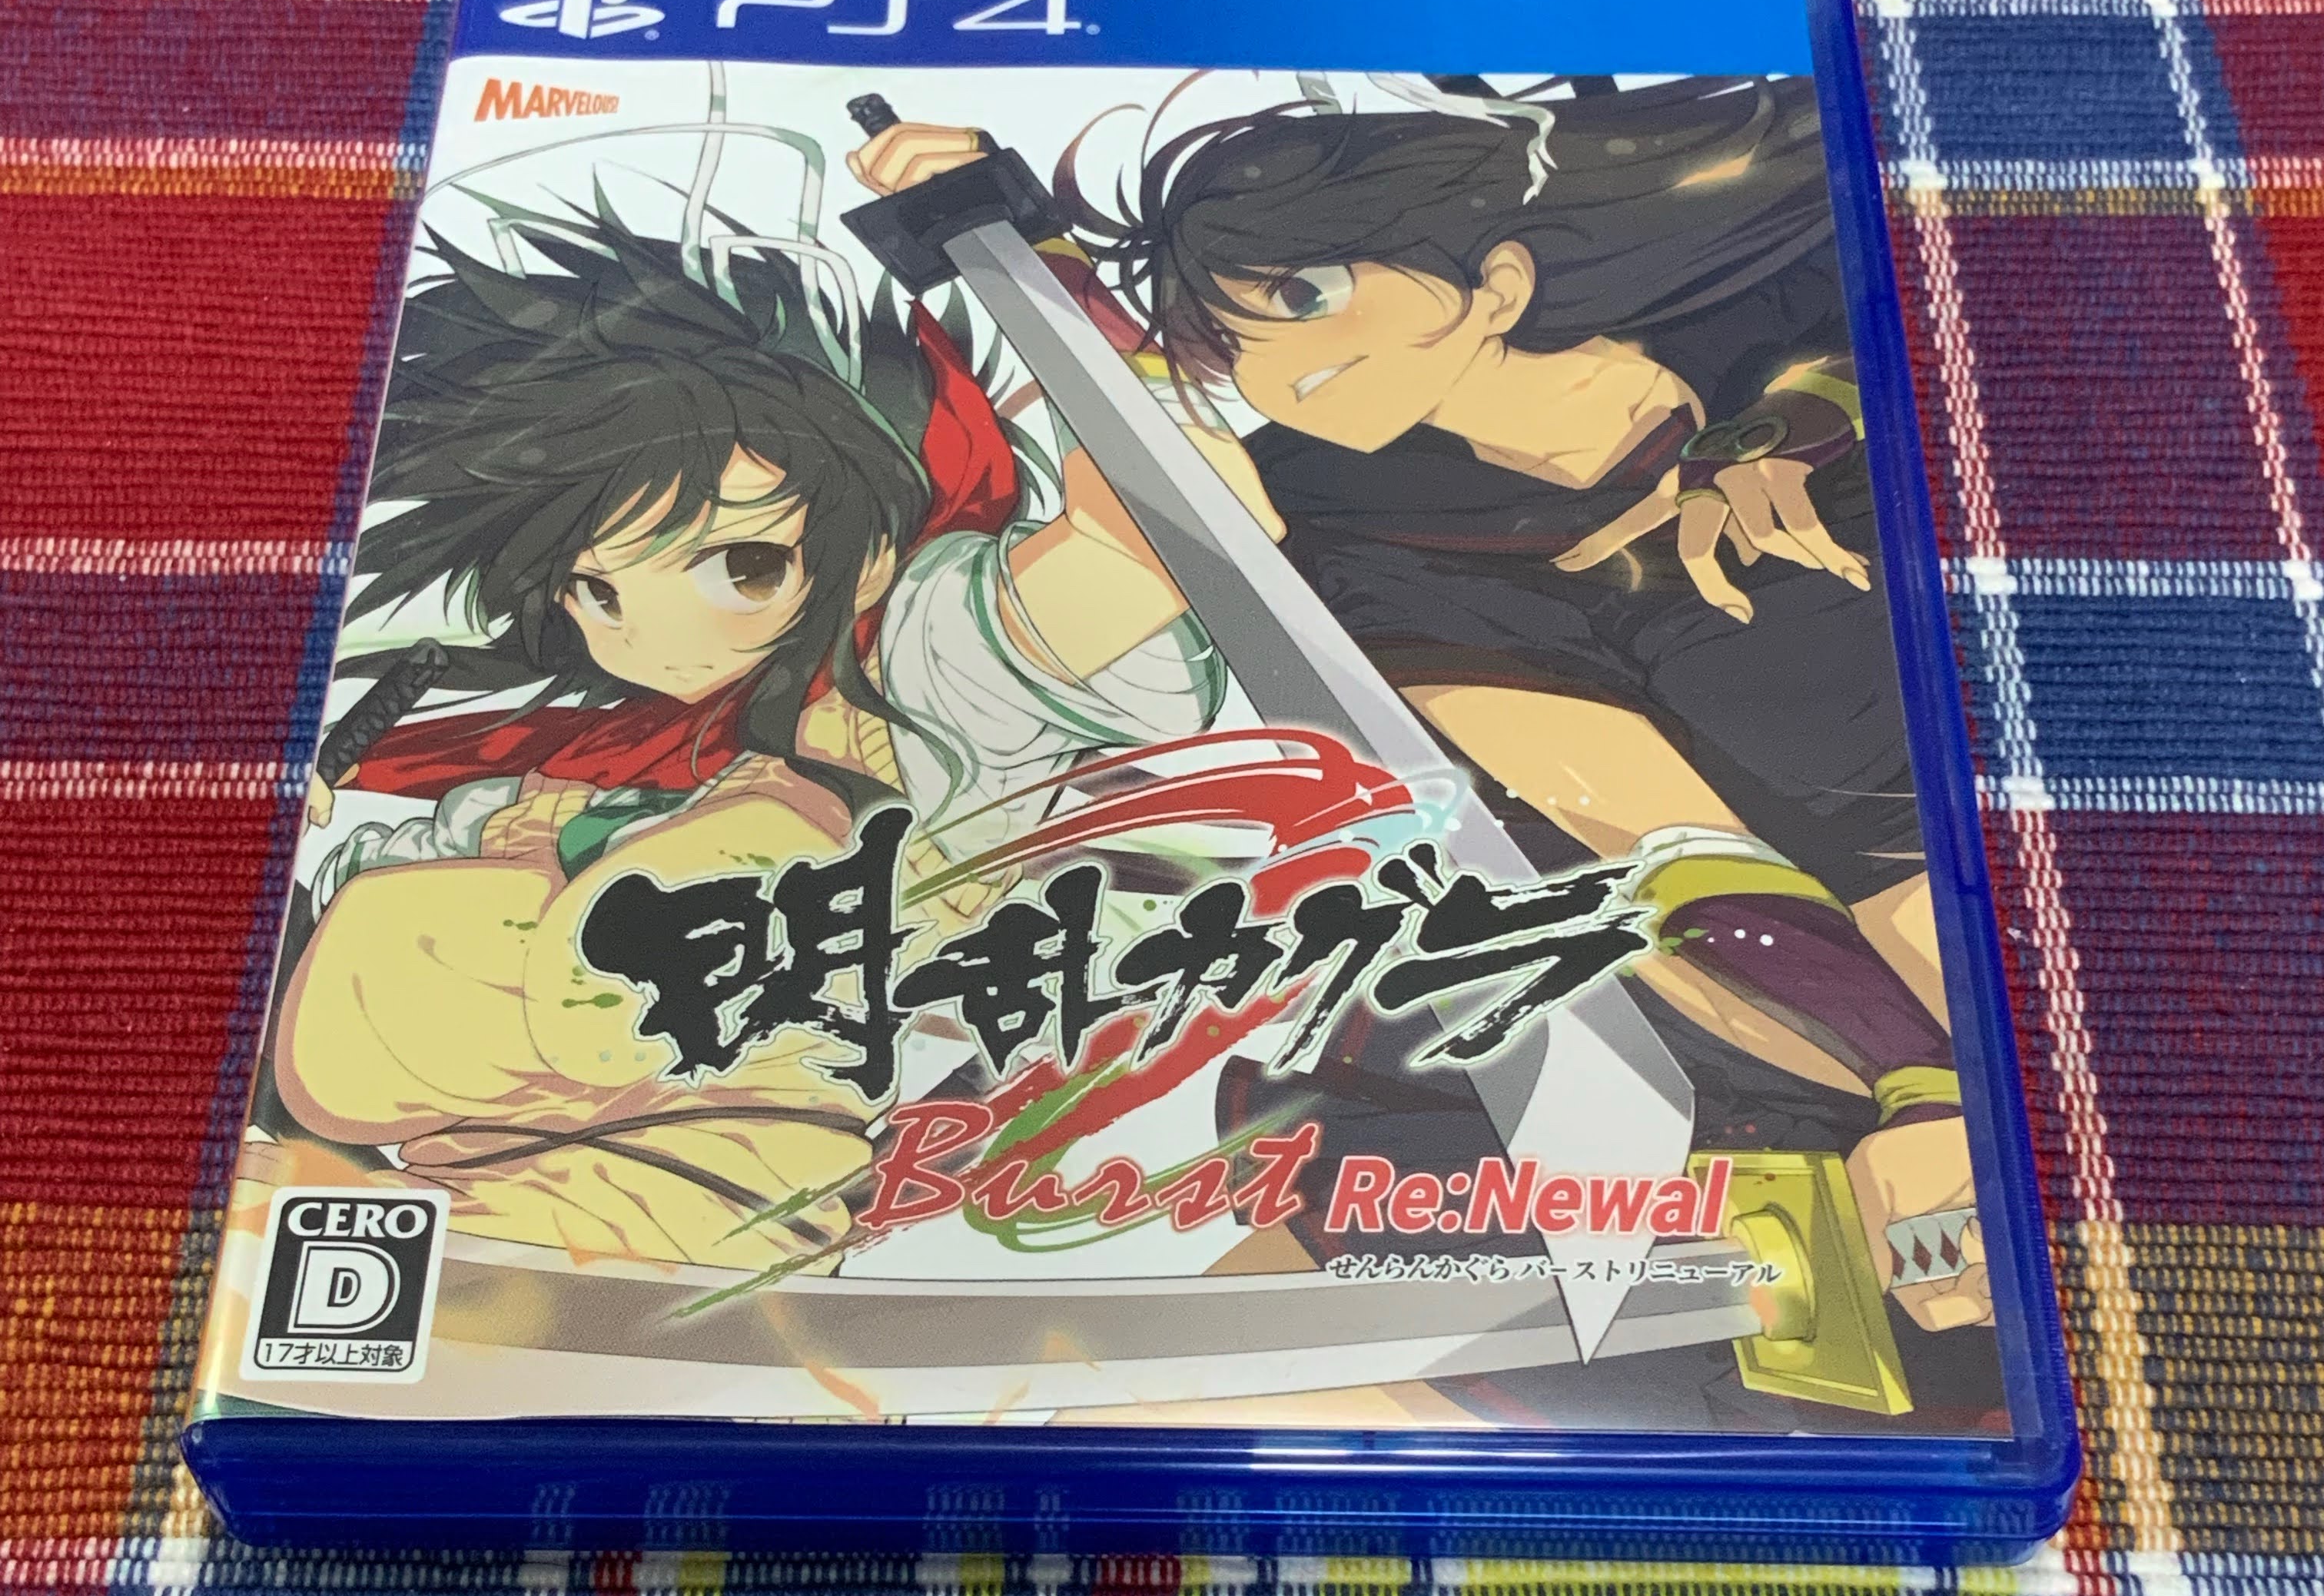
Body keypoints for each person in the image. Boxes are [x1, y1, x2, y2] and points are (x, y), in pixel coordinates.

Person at [848, 81, 1990, 1350]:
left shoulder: (1754, 311)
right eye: (1233, 343)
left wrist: (1796, 427)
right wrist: (1920, 1082)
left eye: (1307, 294)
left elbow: (1900, 285)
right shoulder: (1367, 543)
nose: (1278, 370)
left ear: (1498, 283)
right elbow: (1662, 848)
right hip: (1795, 1022)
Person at [268, 199, 1222, 1268]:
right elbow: (354, 1017)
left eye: (743, 566)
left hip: (707, 1185)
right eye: (597, 591)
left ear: (869, 552)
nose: (659, 640)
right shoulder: (565, 765)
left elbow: (1152, 533)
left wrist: (1022, 248)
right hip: (456, 1182)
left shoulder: (925, 671)